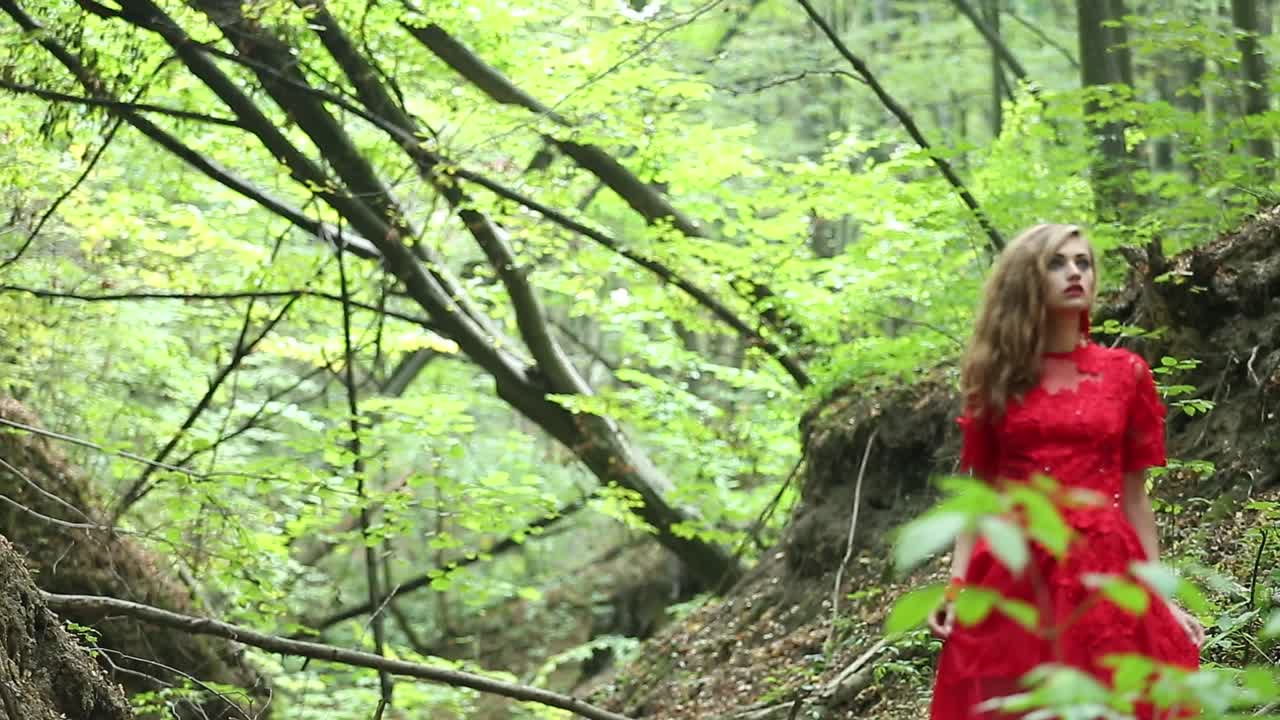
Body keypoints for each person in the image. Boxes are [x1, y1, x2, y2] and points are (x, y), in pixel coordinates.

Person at [927, 224, 1205, 719]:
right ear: (1026, 281)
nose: (1075, 272)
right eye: (1057, 263)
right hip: (1013, 573)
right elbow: (981, 495)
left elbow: (1136, 497)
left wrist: (1162, 597)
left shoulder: (1127, 374)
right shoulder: (996, 376)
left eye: (1083, 262)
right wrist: (955, 586)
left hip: (1104, 567)